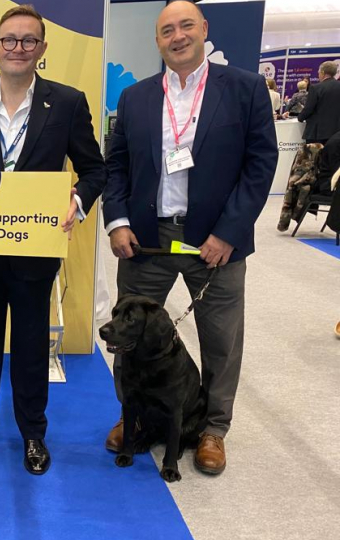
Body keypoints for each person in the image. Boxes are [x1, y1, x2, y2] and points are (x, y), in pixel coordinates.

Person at [102, 0, 277, 475]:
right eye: (165, 31)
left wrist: (229, 232)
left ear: (204, 30)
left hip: (214, 243)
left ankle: (213, 429)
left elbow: (260, 167)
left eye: (185, 26)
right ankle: (132, 418)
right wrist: (117, 221)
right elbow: (116, 165)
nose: (176, 37)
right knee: (128, 335)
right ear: (156, 41)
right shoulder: (135, 97)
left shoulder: (244, 89)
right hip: (146, 239)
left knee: (220, 340)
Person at [0, 4, 106, 475]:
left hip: (35, 252)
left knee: (31, 346)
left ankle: (33, 432)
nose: (18, 48)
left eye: (29, 40)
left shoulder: (67, 103)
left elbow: (94, 170)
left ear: (42, 49)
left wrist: (78, 202)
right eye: (10, 39)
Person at [298, 61, 340, 144]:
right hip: (337, 133)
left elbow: (309, 108)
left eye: (318, 73)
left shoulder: (316, 88)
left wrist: (300, 117)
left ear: (323, 72)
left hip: (318, 133)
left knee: (316, 156)